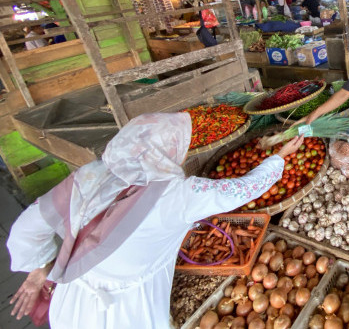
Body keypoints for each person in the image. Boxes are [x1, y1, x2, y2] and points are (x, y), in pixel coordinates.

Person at [7, 113, 303, 328]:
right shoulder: (175, 196)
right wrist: (279, 157)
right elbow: (242, 189)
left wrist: (40, 268)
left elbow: (24, 230)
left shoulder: (87, 177)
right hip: (130, 309)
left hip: (73, 302)